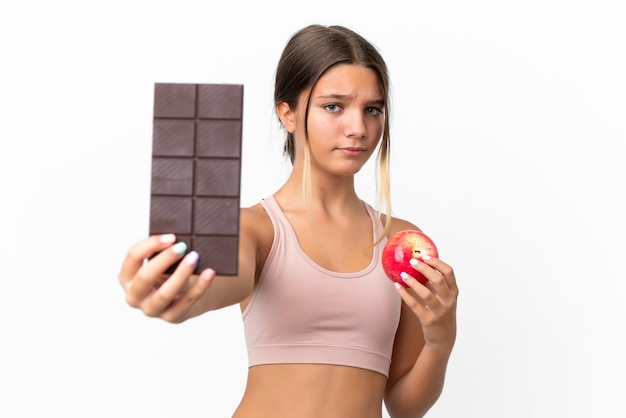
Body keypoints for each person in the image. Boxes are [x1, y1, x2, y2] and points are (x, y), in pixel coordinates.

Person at [118, 24, 458, 418]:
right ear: (288, 114)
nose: (358, 128)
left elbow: (404, 406)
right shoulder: (255, 229)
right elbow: (220, 278)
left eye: (373, 109)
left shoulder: (400, 240)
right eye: (334, 106)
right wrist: (179, 289)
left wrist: (440, 337)